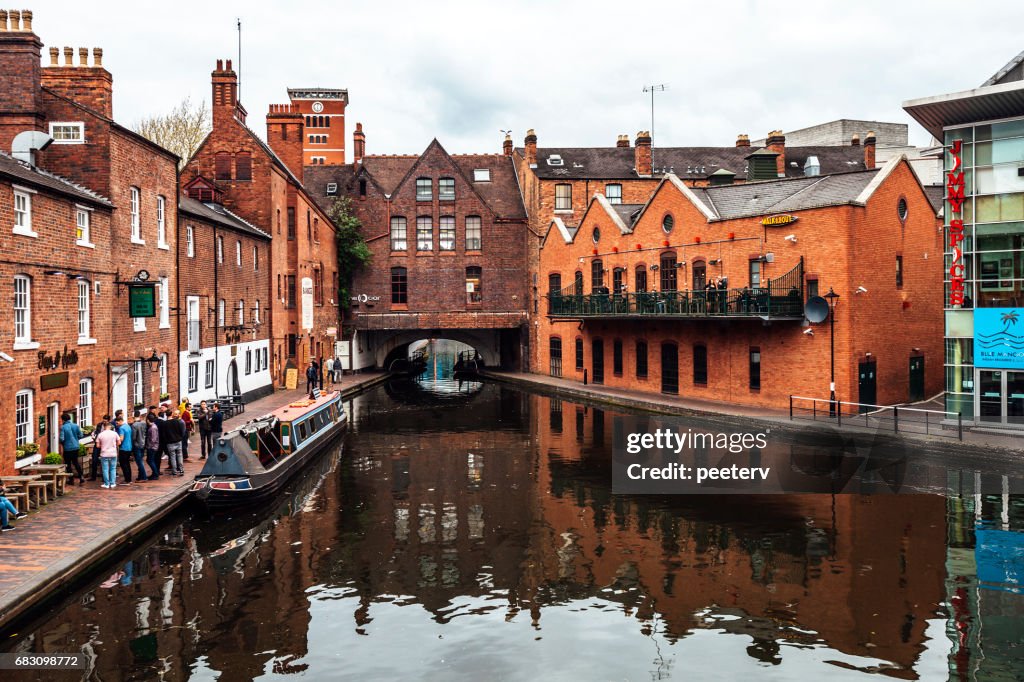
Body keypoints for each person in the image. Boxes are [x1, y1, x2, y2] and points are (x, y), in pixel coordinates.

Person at [59, 413, 85, 485]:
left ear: (63, 419)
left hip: (67, 448)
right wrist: (76, 439)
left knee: (68, 464)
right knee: (76, 462)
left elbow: (62, 438)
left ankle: (71, 479)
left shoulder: (63, 427)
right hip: (76, 447)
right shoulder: (75, 425)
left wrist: (61, 442)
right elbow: (81, 435)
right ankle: (81, 476)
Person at [95, 422, 121, 489]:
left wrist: (103, 446)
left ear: (104, 427)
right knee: (113, 468)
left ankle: (106, 484)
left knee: (105, 469)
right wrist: (114, 446)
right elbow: (119, 442)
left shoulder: (100, 434)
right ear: (110, 427)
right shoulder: (114, 433)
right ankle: (112, 483)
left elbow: (97, 446)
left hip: (104, 453)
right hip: (113, 453)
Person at [89, 414, 110, 481]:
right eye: (103, 421)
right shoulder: (99, 425)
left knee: (105, 461)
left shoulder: (111, 426)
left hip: (106, 445)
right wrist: (94, 438)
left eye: (106, 421)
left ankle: (104, 477)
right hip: (98, 444)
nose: (104, 422)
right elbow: (95, 433)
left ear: (108, 421)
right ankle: (93, 477)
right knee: (94, 459)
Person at [165, 410, 187, 476]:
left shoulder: (165, 423)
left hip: (170, 442)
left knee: (172, 457)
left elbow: (164, 434)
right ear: (171, 414)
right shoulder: (177, 422)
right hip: (178, 441)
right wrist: (180, 437)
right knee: (180, 455)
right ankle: (181, 470)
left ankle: (174, 471)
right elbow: (181, 431)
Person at [130, 411, 149, 482]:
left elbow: (133, 437)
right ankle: (140, 476)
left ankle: (143, 477)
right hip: (143, 444)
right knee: (141, 460)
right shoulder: (144, 423)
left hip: (137, 445)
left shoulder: (134, 425)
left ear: (133, 416)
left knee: (139, 462)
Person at [115, 416, 134, 485]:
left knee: (123, 464)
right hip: (129, 447)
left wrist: (116, 443)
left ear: (120, 421)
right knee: (127, 464)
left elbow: (121, 439)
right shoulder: (128, 426)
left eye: (117, 423)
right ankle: (129, 479)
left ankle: (127, 480)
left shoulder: (121, 428)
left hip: (123, 448)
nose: (117, 424)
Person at [145, 414, 161, 480]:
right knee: (150, 460)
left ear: (148, 420)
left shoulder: (153, 428)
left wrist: (149, 446)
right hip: (153, 446)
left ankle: (155, 473)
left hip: (152, 447)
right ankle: (154, 473)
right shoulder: (153, 426)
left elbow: (153, 439)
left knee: (150, 460)